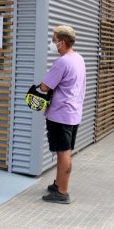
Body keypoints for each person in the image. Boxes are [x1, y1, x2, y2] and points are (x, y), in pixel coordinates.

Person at [39, 25, 86, 204]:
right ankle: (58, 184)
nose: (52, 43)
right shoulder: (78, 58)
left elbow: (45, 87)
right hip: (73, 112)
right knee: (63, 151)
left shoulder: (63, 61)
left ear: (62, 42)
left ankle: (62, 192)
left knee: (64, 152)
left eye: (54, 39)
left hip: (61, 114)